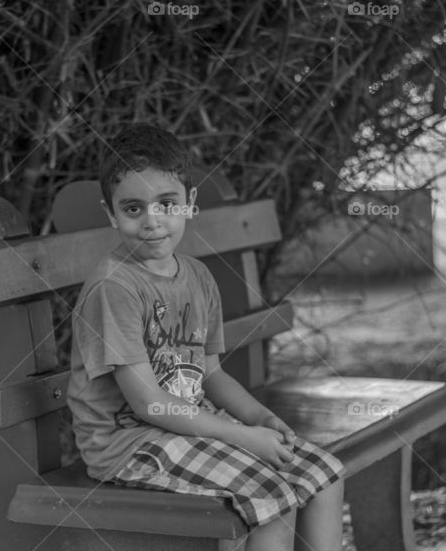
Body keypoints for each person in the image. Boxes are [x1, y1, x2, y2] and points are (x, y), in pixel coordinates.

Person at [67, 125, 345, 551]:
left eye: (166, 204)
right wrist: (243, 437)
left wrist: (259, 419)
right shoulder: (115, 287)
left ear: (189, 203)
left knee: (324, 476)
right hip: (129, 445)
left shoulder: (197, 276)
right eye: (133, 208)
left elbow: (211, 375)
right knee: (272, 496)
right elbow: (148, 403)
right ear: (111, 213)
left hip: (189, 426)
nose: (152, 221)